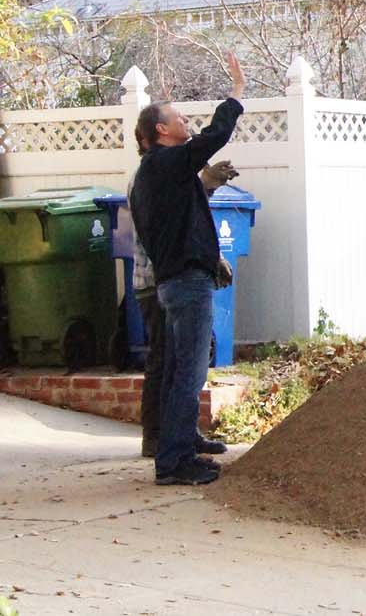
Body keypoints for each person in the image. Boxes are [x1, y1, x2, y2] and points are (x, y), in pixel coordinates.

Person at [130, 53, 246, 486]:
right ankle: (174, 461)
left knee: (179, 371)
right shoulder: (165, 164)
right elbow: (214, 136)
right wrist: (236, 92)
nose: (185, 122)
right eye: (178, 118)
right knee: (190, 372)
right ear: (161, 131)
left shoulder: (155, 176)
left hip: (175, 282)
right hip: (185, 284)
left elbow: (185, 218)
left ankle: (175, 448)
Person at [132, 159, 239, 460]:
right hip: (158, 281)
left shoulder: (171, 177)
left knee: (185, 364)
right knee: (165, 363)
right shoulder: (149, 178)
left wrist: (207, 185)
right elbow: (168, 232)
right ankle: (156, 437)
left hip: (173, 278)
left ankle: (183, 434)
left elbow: (190, 219)